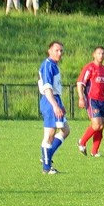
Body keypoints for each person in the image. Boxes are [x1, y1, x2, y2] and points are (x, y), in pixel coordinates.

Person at [76, 46, 104, 157]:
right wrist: (81, 97)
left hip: (101, 100)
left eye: (103, 53)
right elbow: (80, 83)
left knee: (101, 126)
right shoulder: (89, 68)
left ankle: (94, 151)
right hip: (91, 99)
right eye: (99, 53)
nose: (101, 55)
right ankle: (82, 142)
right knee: (97, 125)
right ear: (94, 54)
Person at [38, 41, 70, 174]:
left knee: (65, 130)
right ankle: (46, 167)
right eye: (56, 50)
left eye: (61, 51)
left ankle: (47, 156)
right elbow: (47, 88)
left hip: (56, 100)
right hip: (49, 101)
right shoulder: (47, 65)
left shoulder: (54, 66)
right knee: (50, 134)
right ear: (49, 51)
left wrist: (60, 105)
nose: (59, 53)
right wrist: (55, 105)